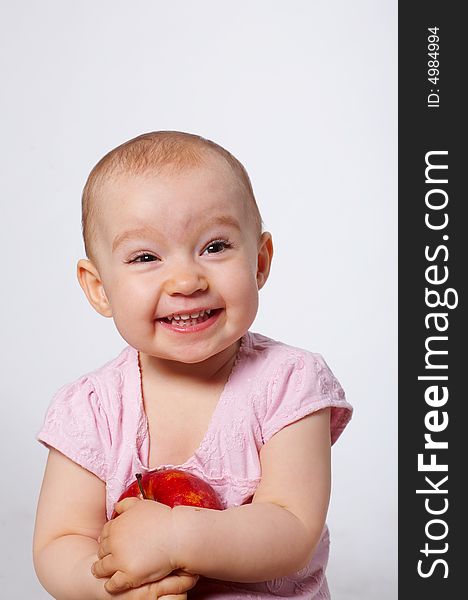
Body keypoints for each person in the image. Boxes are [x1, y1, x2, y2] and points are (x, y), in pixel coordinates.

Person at [33, 130, 353, 600]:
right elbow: (59, 542)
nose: (185, 280)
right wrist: (115, 587)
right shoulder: (91, 409)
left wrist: (177, 538)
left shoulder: (290, 383)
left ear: (259, 262)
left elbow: (292, 527)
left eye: (215, 247)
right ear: (99, 287)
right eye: (146, 257)